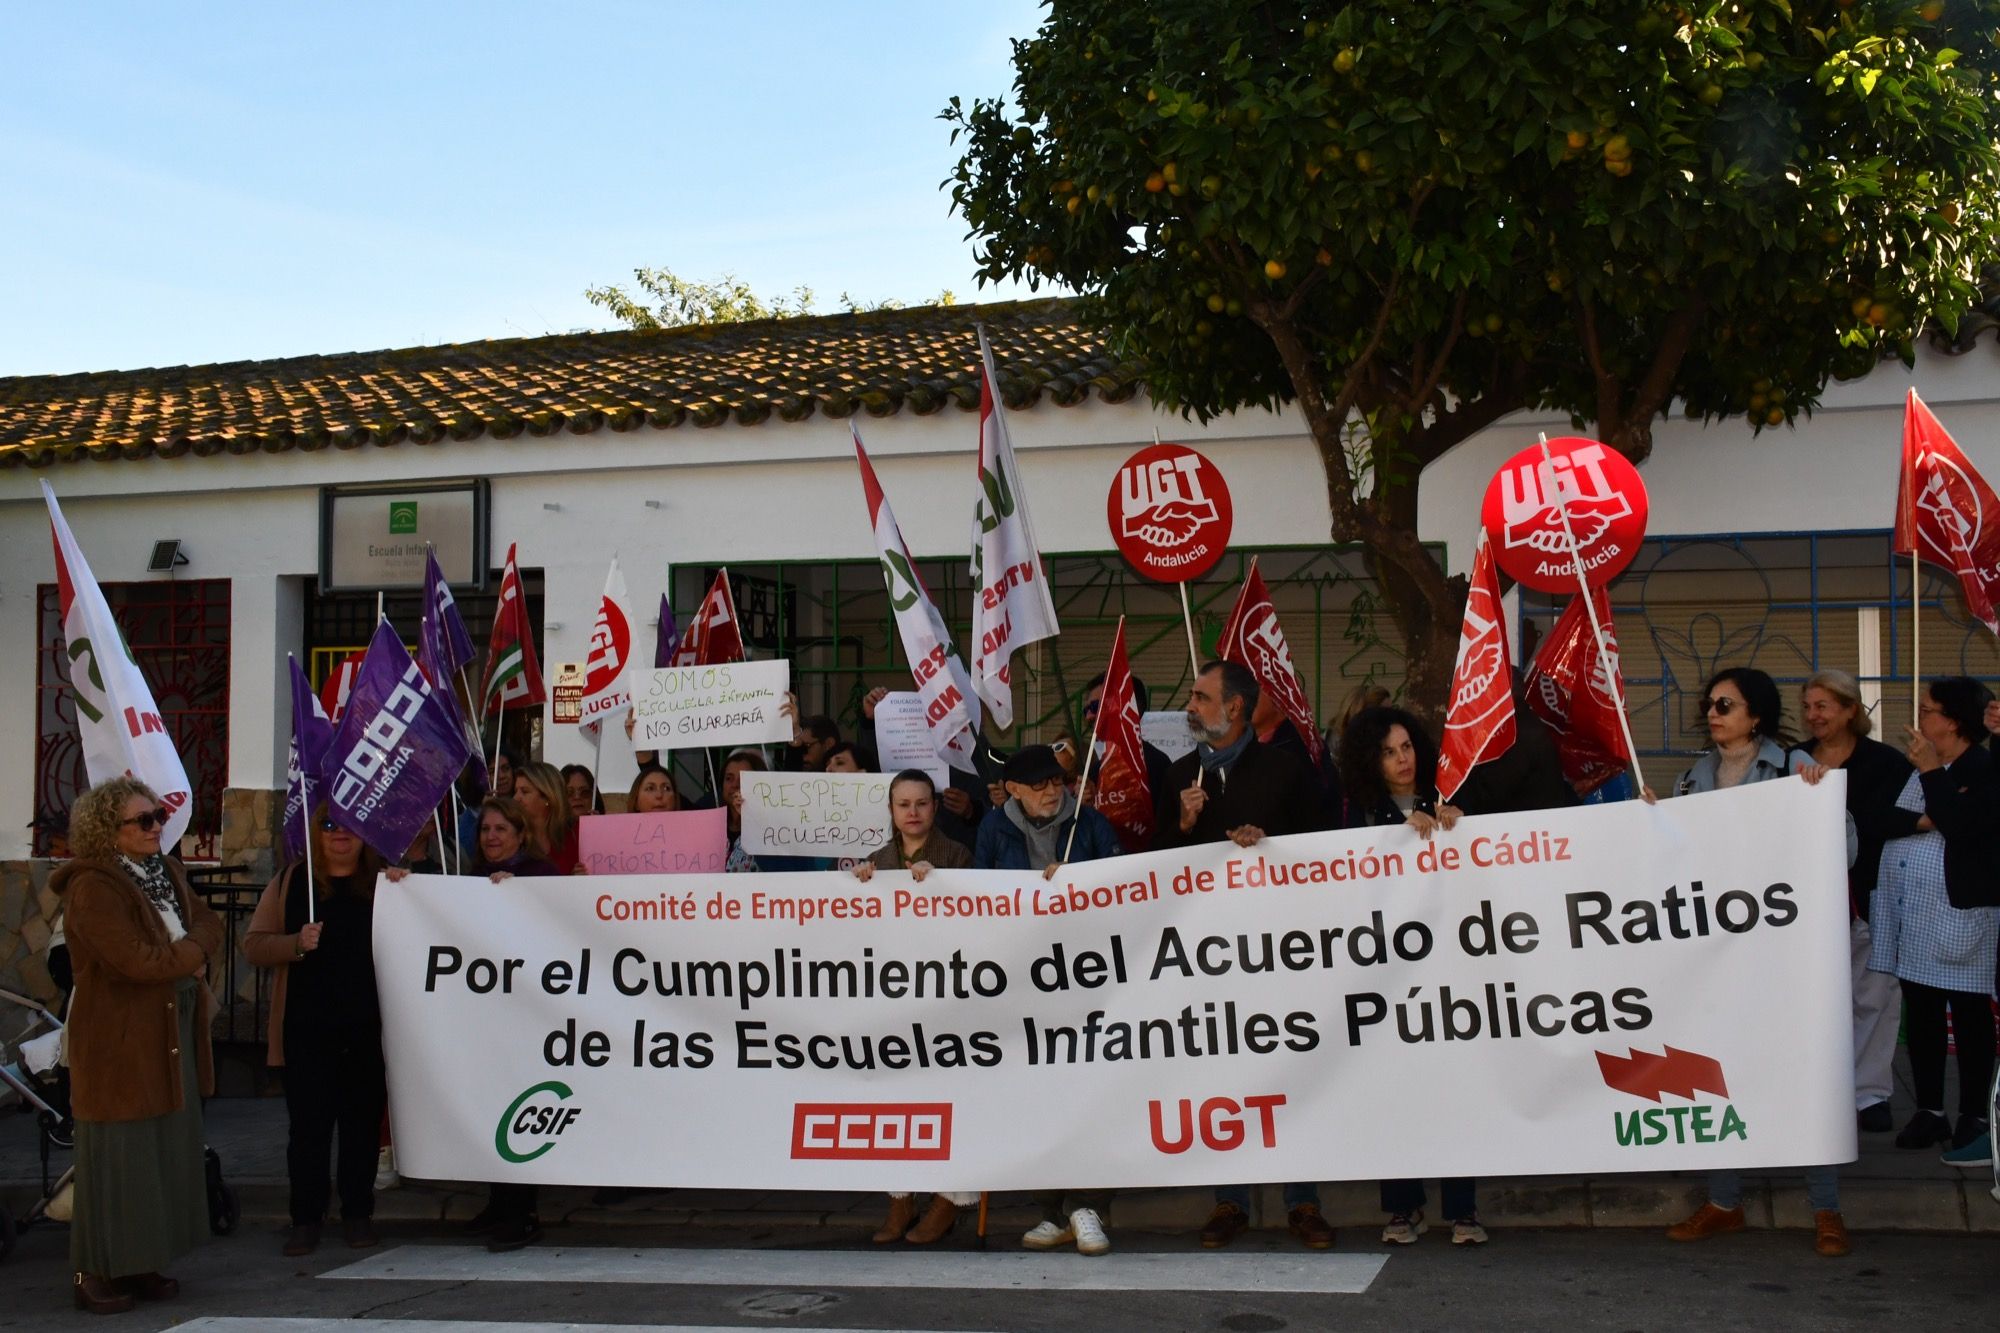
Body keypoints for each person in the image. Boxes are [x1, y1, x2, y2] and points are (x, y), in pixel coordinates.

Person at [1660, 667, 1850, 1257]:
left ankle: (1826, 1208)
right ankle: (1724, 1201)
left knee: (1803, 1070)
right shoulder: (1693, 779)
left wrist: (1819, 801)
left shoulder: (1794, 768)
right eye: (1710, 703)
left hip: (1783, 956)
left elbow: (1846, 847)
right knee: (1719, 1073)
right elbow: (1671, 859)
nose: (1713, 712)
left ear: (1757, 716)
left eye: (1727, 704)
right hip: (1718, 957)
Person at [1156, 662, 1334, 1251]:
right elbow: (1154, 871)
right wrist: (1183, 825)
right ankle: (1228, 1200)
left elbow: (1325, 849)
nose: (1191, 704)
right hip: (1206, 960)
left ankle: (1302, 1201)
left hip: (1280, 953)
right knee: (1219, 1073)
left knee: (1288, 1069)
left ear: (1234, 708)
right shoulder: (1181, 774)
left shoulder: (1285, 769)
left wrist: (1270, 845)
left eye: (1202, 697)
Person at [52, 777, 225, 1314]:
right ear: (109, 830)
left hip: (168, 1033)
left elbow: (210, 921)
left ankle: (141, 1261)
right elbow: (136, 963)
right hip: (117, 1043)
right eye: (143, 820)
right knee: (116, 1159)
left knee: (161, 1153)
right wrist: (192, 954)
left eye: (158, 817)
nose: (156, 827)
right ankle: (93, 1270)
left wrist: (191, 949)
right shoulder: (93, 887)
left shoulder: (166, 871)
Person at [1339, 705, 1483, 1246]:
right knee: (1394, 1090)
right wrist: (1395, 838)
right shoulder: (1357, 814)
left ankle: (1463, 1210)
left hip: (1448, 968)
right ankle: (1403, 1208)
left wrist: (1458, 828)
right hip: (1384, 973)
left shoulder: (1448, 798)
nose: (1401, 760)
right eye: (1387, 751)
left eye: (1406, 747)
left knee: (1454, 1086)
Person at [387, 796, 557, 1251]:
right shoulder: (469, 881)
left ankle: (524, 1212)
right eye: (486, 830)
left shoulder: (540, 875)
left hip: (528, 1019)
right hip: (485, 1021)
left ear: (521, 834)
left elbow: (559, 924)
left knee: (520, 1112)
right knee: (491, 1110)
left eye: (503, 829)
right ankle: (499, 1204)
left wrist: (519, 891)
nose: (493, 837)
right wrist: (407, 886)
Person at [973, 745, 1120, 1254]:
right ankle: (1052, 1212)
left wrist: (1080, 883)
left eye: (1057, 781)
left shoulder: (1091, 823)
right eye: (1039, 784)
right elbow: (978, 897)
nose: (1052, 791)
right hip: (1023, 980)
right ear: (1012, 790)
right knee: (1038, 1091)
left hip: (1088, 977)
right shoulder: (995, 828)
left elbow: (1124, 886)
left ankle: (1088, 1207)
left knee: (1090, 1091)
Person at [244, 810, 388, 1256]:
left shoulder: (385, 885)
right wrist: (294, 944)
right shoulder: (291, 883)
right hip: (307, 1030)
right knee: (308, 1130)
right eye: (329, 826)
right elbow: (253, 945)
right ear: (315, 833)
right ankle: (306, 1218)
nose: (340, 835)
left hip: (368, 1029)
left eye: (350, 826)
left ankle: (357, 1213)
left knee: (361, 1128)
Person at [1868, 675, 1999, 1159]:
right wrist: (1926, 813)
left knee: (1967, 1016)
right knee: (1920, 1012)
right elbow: (1883, 819)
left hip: (1962, 914)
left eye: (1927, 710)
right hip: (1914, 912)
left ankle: (1974, 1114)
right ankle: (1929, 1110)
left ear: (1953, 721)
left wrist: (1931, 777)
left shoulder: (1982, 768)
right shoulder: (1921, 766)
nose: (1918, 717)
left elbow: (1964, 827)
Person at [850, 770, 976, 1243]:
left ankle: (950, 1200)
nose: (913, 812)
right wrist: (862, 888)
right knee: (893, 1099)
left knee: (951, 1098)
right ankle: (900, 1200)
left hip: (947, 996)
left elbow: (977, 920)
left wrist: (942, 886)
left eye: (922, 803)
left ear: (934, 807)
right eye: (904, 804)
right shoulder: (875, 863)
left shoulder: (957, 856)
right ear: (891, 810)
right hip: (893, 1000)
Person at [1793, 669, 1918, 1134]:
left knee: (1874, 999)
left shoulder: (1886, 763)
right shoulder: (1792, 760)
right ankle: (1815, 1089)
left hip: (1869, 898)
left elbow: (1904, 821)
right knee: (1813, 1003)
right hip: (1803, 905)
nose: (1813, 715)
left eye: (1823, 705)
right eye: (1807, 706)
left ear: (1850, 709)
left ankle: (1869, 1095)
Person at [514, 761, 580, 874]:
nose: (516, 798)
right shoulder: (512, 837)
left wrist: (584, 877)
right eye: (515, 791)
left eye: (524, 792)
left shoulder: (576, 834)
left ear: (548, 797)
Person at [720, 749, 767, 873]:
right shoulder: (711, 825)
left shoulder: (769, 828)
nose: (735, 784)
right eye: (729, 778)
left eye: (743, 778)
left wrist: (750, 819)